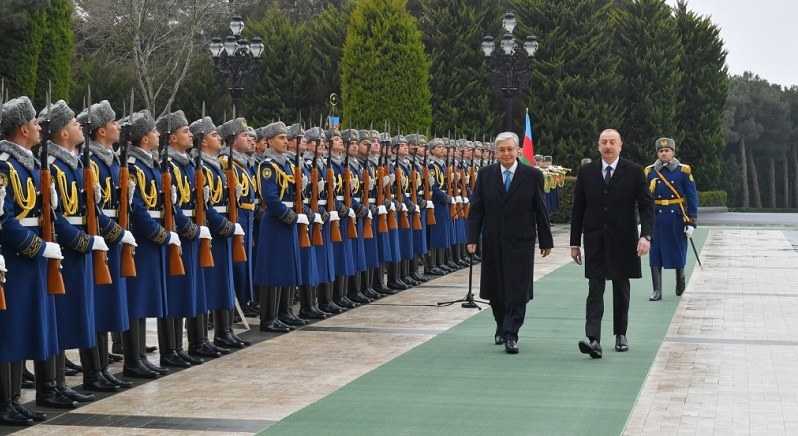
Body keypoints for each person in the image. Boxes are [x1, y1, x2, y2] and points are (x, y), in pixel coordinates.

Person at [570, 129, 654, 358]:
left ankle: (621, 334)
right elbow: (579, 209)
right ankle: (593, 339)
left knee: (621, 289)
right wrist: (574, 243)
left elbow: (647, 206)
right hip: (595, 239)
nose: (608, 146)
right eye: (604, 142)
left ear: (620, 145)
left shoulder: (635, 171)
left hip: (624, 240)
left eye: (612, 142)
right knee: (595, 288)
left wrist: (646, 236)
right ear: (598, 146)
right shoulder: (587, 172)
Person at [466, 131, 553, 355]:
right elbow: (477, 209)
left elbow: (540, 210)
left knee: (517, 287)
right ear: (496, 152)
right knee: (495, 287)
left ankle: (511, 333)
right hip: (494, 238)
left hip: (521, 240)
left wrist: (546, 240)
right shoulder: (486, 174)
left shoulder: (532, 175)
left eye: (510, 149)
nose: (506, 153)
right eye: (502, 150)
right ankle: (501, 322)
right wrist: (472, 238)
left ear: (518, 151)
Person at [645, 137, 698, 301]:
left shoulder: (683, 171)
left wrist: (691, 221)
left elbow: (692, 197)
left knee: (678, 251)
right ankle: (657, 290)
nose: (663, 153)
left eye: (667, 150)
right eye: (661, 151)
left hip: (676, 217)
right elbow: (644, 199)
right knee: (655, 253)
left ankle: (680, 281)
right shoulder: (650, 171)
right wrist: (642, 222)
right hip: (656, 218)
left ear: (673, 152)